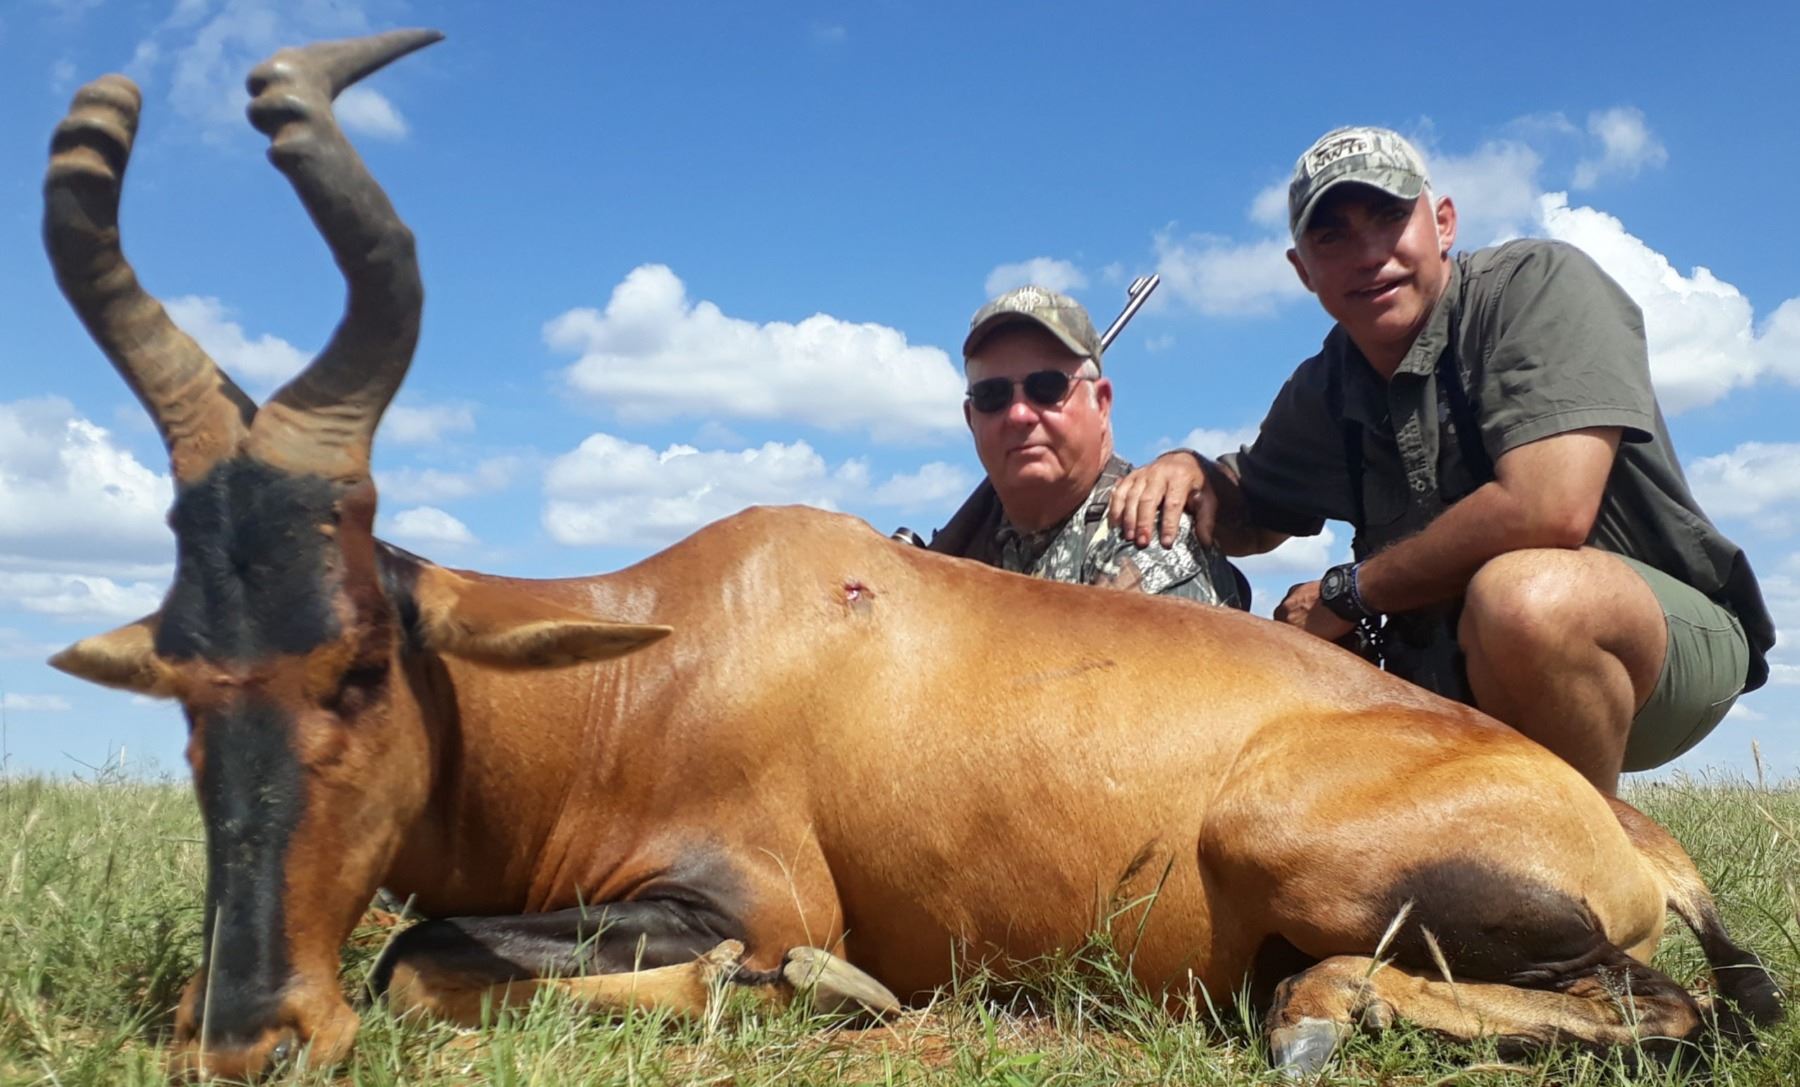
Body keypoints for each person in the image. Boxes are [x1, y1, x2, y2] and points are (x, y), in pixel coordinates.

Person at [1109, 126, 1774, 794]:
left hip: (1655, 650)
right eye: (1332, 236)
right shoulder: (1325, 386)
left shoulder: (1537, 286)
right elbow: (1251, 511)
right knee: (1299, 659)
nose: (1370, 254)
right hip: (1453, 665)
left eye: (1390, 217)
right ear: (1302, 269)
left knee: (1527, 600)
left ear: (1444, 223)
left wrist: (1348, 593)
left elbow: (1548, 509)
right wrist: (1188, 471)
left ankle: (1589, 846)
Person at [925, 285, 1242, 607]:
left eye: (1047, 387)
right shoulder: (980, 538)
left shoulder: (1147, 533)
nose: (1019, 414)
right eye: (991, 395)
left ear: (1101, 404)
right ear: (971, 418)